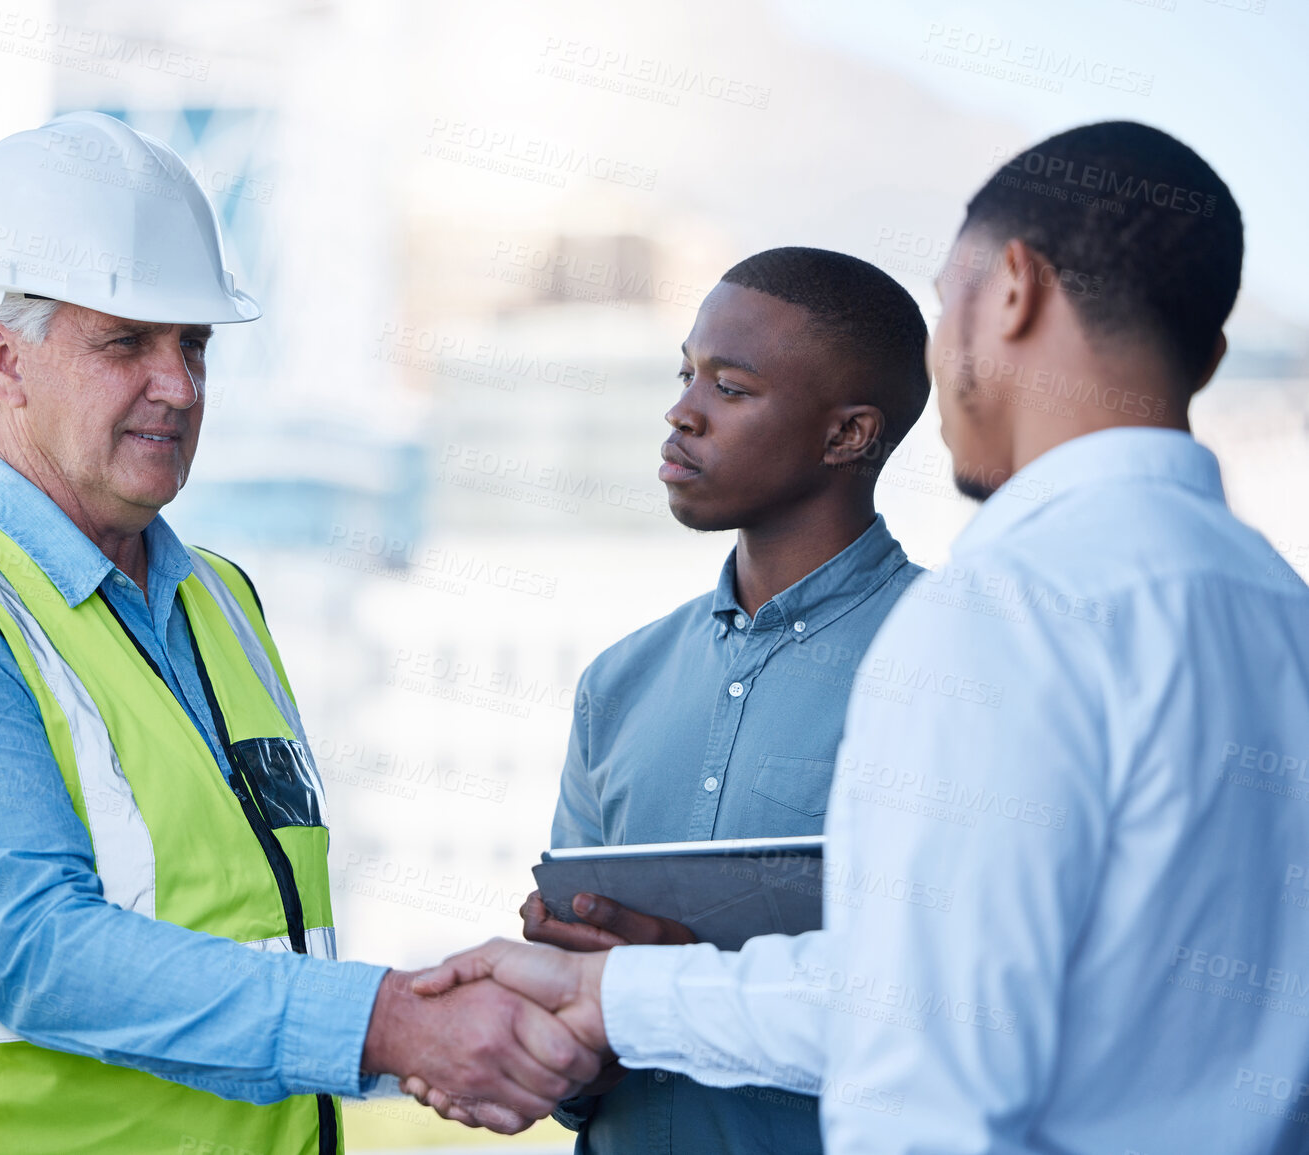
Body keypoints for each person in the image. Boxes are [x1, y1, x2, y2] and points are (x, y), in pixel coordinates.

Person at [411, 120, 1309, 1155]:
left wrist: (613, 990)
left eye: (946, 301)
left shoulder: (1000, 610)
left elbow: (923, 1057)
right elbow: (928, 987)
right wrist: (614, 991)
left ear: (1012, 288)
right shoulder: (1280, 613)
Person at [0, 112, 596, 1155]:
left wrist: (467, 995)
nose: (178, 384)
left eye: (195, 343)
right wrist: (392, 1022)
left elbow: (251, 924)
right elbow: (39, 952)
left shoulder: (220, 602)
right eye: (128, 342)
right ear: (2, 358)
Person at [516, 247, 929, 1155]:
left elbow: (966, 1010)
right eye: (684, 372)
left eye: (730, 388)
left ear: (848, 435)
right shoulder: (617, 681)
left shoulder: (958, 666)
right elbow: (562, 1021)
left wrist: (677, 992)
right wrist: (564, 1007)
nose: (681, 410)